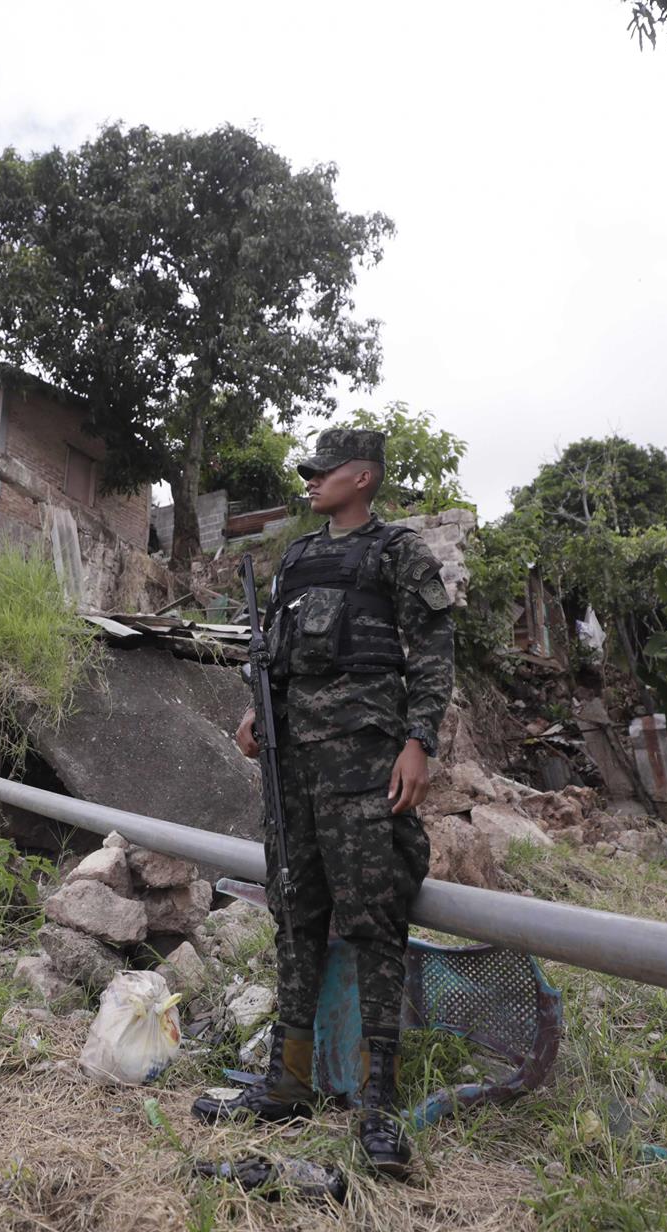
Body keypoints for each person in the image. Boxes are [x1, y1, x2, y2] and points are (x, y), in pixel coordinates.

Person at [191, 426, 454, 1179]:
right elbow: (272, 649)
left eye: (324, 470)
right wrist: (254, 709)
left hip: (366, 761)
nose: (310, 479)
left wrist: (419, 742)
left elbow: (433, 652)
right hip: (294, 767)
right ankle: (288, 1080)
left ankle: (379, 1099)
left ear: (363, 477)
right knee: (296, 912)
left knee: (374, 920)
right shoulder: (299, 556)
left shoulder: (399, 553)